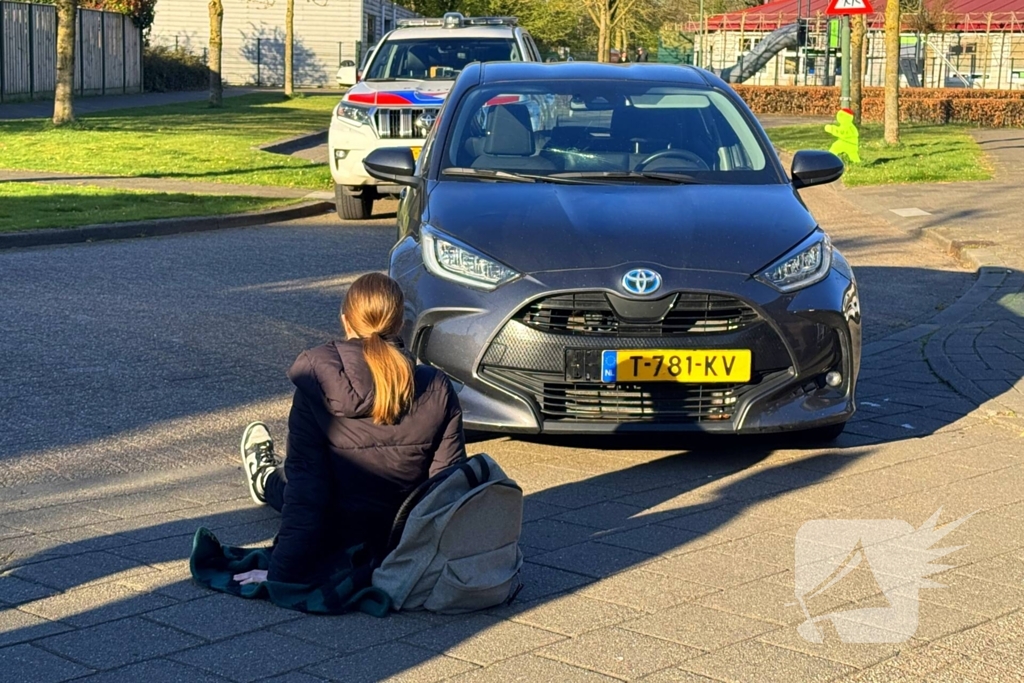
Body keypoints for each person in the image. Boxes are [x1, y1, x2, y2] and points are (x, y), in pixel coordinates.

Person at [233, 273, 467, 587]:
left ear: (346, 321)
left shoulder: (315, 380)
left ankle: (263, 478)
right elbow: (446, 488)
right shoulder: (438, 386)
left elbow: (307, 491)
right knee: (299, 480)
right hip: (399, 545)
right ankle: (266, 479)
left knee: (292, 481)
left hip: (334, 543)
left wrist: (282, 573)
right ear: (400, 324)